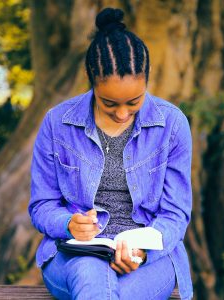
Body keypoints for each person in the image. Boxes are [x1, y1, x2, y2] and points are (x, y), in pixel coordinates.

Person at [28, 7, 193, 300]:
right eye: (109, 103)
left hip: (149, 259)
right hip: (74, 256)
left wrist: (141, 249)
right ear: (92, 80)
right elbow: (42, 205)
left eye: (134, 101)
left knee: (105, 292)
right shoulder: (57, 123)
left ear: (147, 80)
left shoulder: (172, 124)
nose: (122, 113)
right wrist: (68, 223)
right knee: (91, 275)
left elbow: (175, 213)